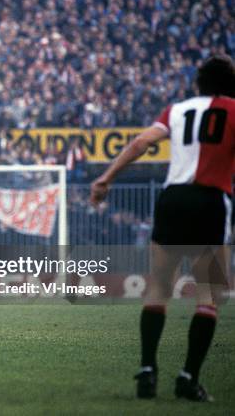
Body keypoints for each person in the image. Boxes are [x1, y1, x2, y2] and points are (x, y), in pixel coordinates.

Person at [90, 55, 235, 402]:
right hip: (211, 200)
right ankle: (188, 377)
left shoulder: (177, 110)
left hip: (172, 200)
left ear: (197, 82)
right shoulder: (233, 110)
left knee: (158, 287)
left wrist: (106, 178)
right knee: (210, 294)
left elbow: (140, 143)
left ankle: (147, 370)